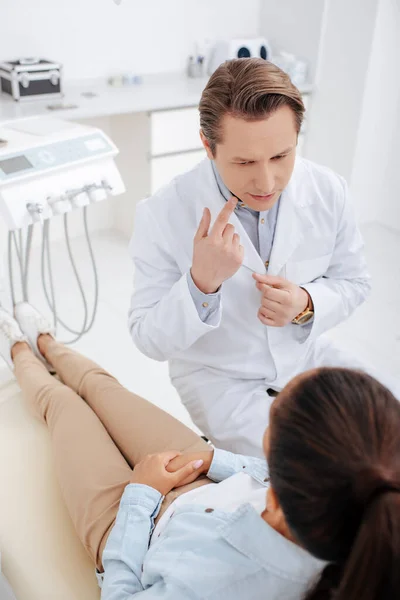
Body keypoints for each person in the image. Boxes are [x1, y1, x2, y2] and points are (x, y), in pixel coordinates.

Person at [1, 302, 400, 600]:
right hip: (199, 472)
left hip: (128, 531)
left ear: (277, 497)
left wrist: (141, 497)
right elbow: (261, 470)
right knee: (103, 388)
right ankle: (47, 343)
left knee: (65, 407)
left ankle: (18, 349)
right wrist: (216, 459)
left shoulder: (216, 586)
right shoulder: (353, 496)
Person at [129, 57, 398, 457]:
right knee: (315, 464)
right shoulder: (163, 213)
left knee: (388, 427)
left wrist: (306, 304)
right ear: (207, 145)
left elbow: (354, 281)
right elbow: (148, 338)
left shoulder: (328, 190)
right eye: (244, 162)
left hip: (306, 357)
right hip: (219, 381)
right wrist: (201, 284)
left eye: (280, 157)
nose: (267, 182)